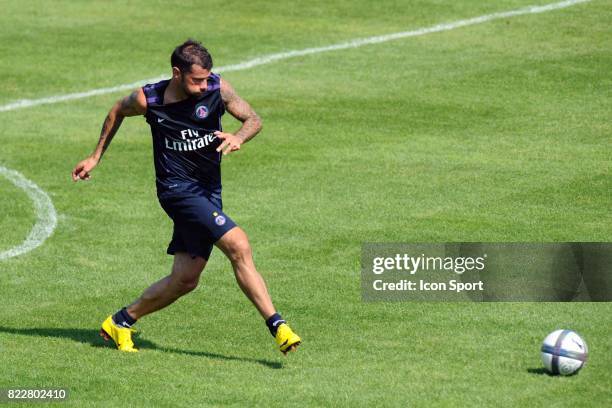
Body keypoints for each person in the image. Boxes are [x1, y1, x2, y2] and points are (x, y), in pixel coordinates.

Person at [71, 39, 301, 354]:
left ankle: (120, 321)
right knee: (238, 245)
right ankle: (278, 327)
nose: (204, 84)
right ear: (177, 73)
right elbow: (116, 111)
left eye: (207, 78)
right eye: (197, 80)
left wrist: (238, 137)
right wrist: (96, 156)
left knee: (185, 279)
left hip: (208, 191)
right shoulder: (148, 99)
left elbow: (253, 120)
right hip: (176, 190)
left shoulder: (217, 88)